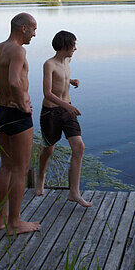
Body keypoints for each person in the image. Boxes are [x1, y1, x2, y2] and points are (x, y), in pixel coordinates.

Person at [0, 12, 41, 234]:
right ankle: (15, 223)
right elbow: (14, 82)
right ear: (23, 28)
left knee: (6, 165)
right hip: (17, 115)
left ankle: (1, 220)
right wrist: (23, 105)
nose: (35, 34)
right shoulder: (18, 50)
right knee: (20, 168)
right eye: (34, 29)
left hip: (0, 112)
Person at [34, 30, 90, 207]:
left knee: (79, 147)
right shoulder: (48, 64)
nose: (75, 48)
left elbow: (62, 79)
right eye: (73, 45)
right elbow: (47, 93)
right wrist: (67, 106)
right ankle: (40, 177)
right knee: (48, 149)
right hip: (51, 112)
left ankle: (74, 192)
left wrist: (71, 81)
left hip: (67, 110)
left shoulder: (68, 60)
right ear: (64, 45)